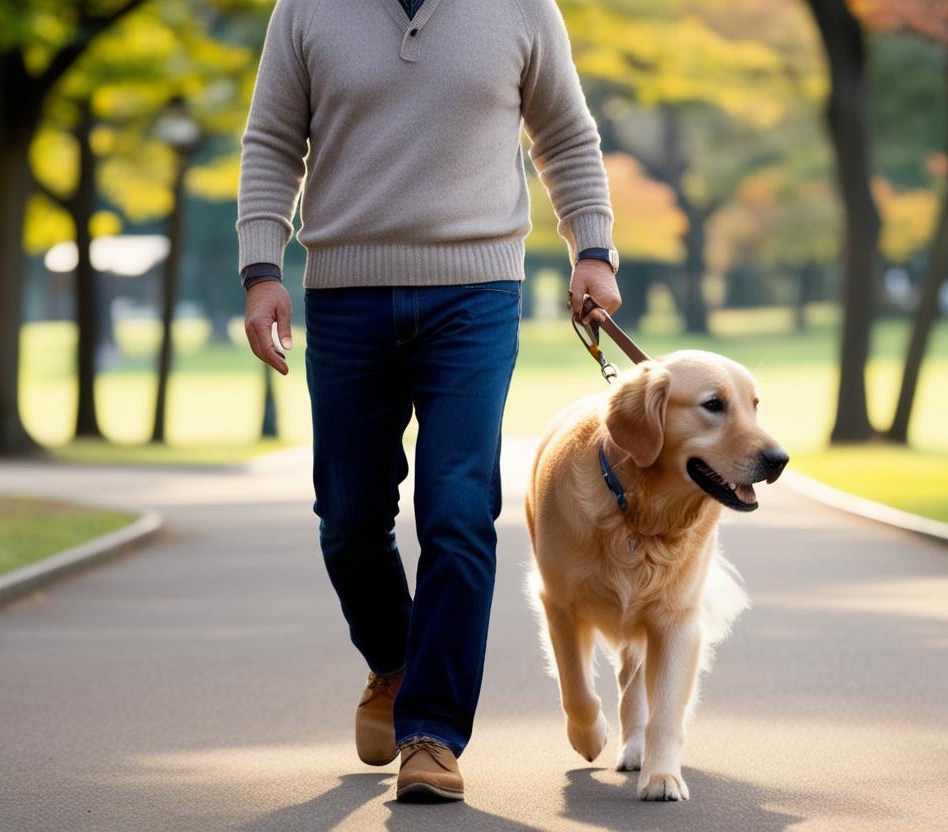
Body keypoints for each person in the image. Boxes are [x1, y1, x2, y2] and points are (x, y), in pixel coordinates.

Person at [236, 0, 620, 803]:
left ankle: (432, 735)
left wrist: (592, 251)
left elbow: (565, 135)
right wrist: (262, 270)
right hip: (345, 294)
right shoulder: (305, 9)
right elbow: (272, 141)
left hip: (475, 296)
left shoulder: (521, 8)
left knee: (455, 509)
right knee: (347, 518)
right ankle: (396, 661)